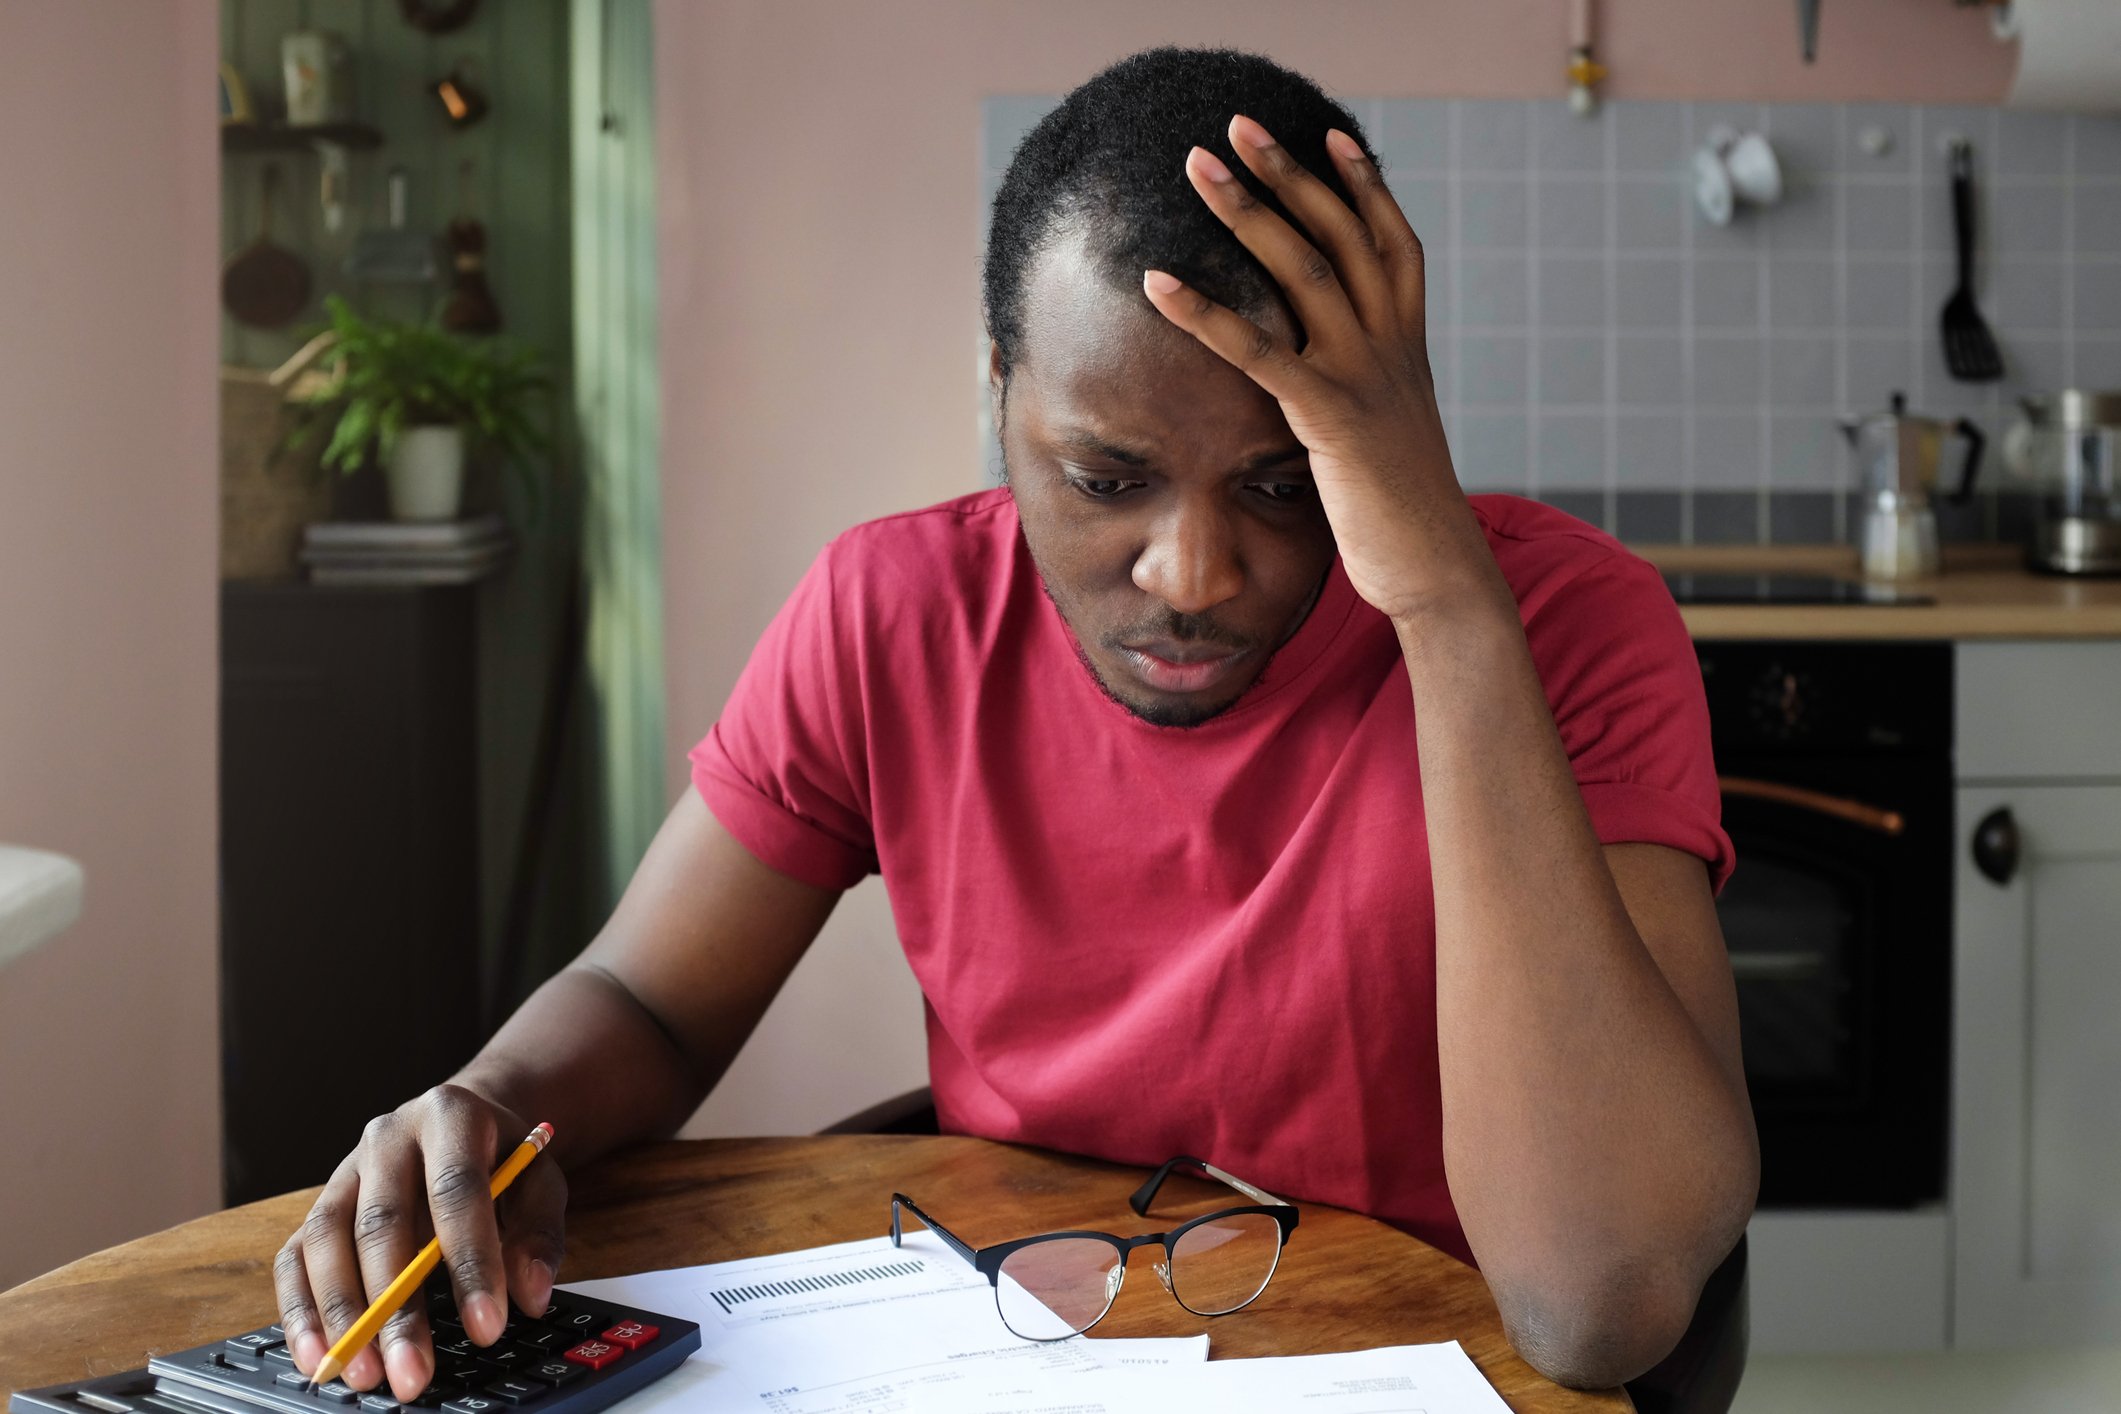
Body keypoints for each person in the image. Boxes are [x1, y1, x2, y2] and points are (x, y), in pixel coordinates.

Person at [273, 45, 1757, 1398]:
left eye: (1282, 480)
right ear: (998, 397)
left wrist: (1443, 604)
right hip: (1019, 1353)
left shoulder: (1560, 626)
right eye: (1105, 479)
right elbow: (653, 1004)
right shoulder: (892, 609)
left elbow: (1597, 1300)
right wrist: (489, 1102)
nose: (1191, 576)